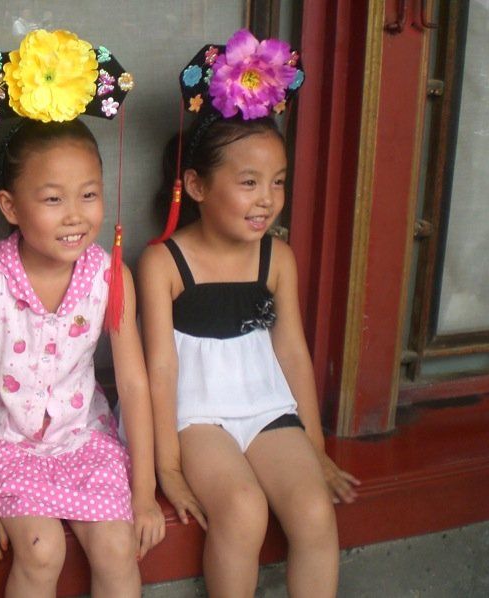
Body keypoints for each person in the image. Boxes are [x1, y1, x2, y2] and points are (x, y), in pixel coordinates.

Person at [0, 30, 164, 597]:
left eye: (89, 195)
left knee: (117, 551)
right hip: (5, 442)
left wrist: (143, 494)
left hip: (81, 436)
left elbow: (134, 386)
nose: (75, 216)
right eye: (52, 198)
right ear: (10, 206)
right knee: (42, 552)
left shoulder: (111, 274)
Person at [138, 30, 359, 597]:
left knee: (313, 509)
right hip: (196, 413)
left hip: (264, 403)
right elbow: (159, 370)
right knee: (242, 508)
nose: (267, 198)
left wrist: (315, 447)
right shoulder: (164, 262)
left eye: (278, 183)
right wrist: (168, 467)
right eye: (249, 183)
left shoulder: (276, 258)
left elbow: (291, 353)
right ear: (196, 185)